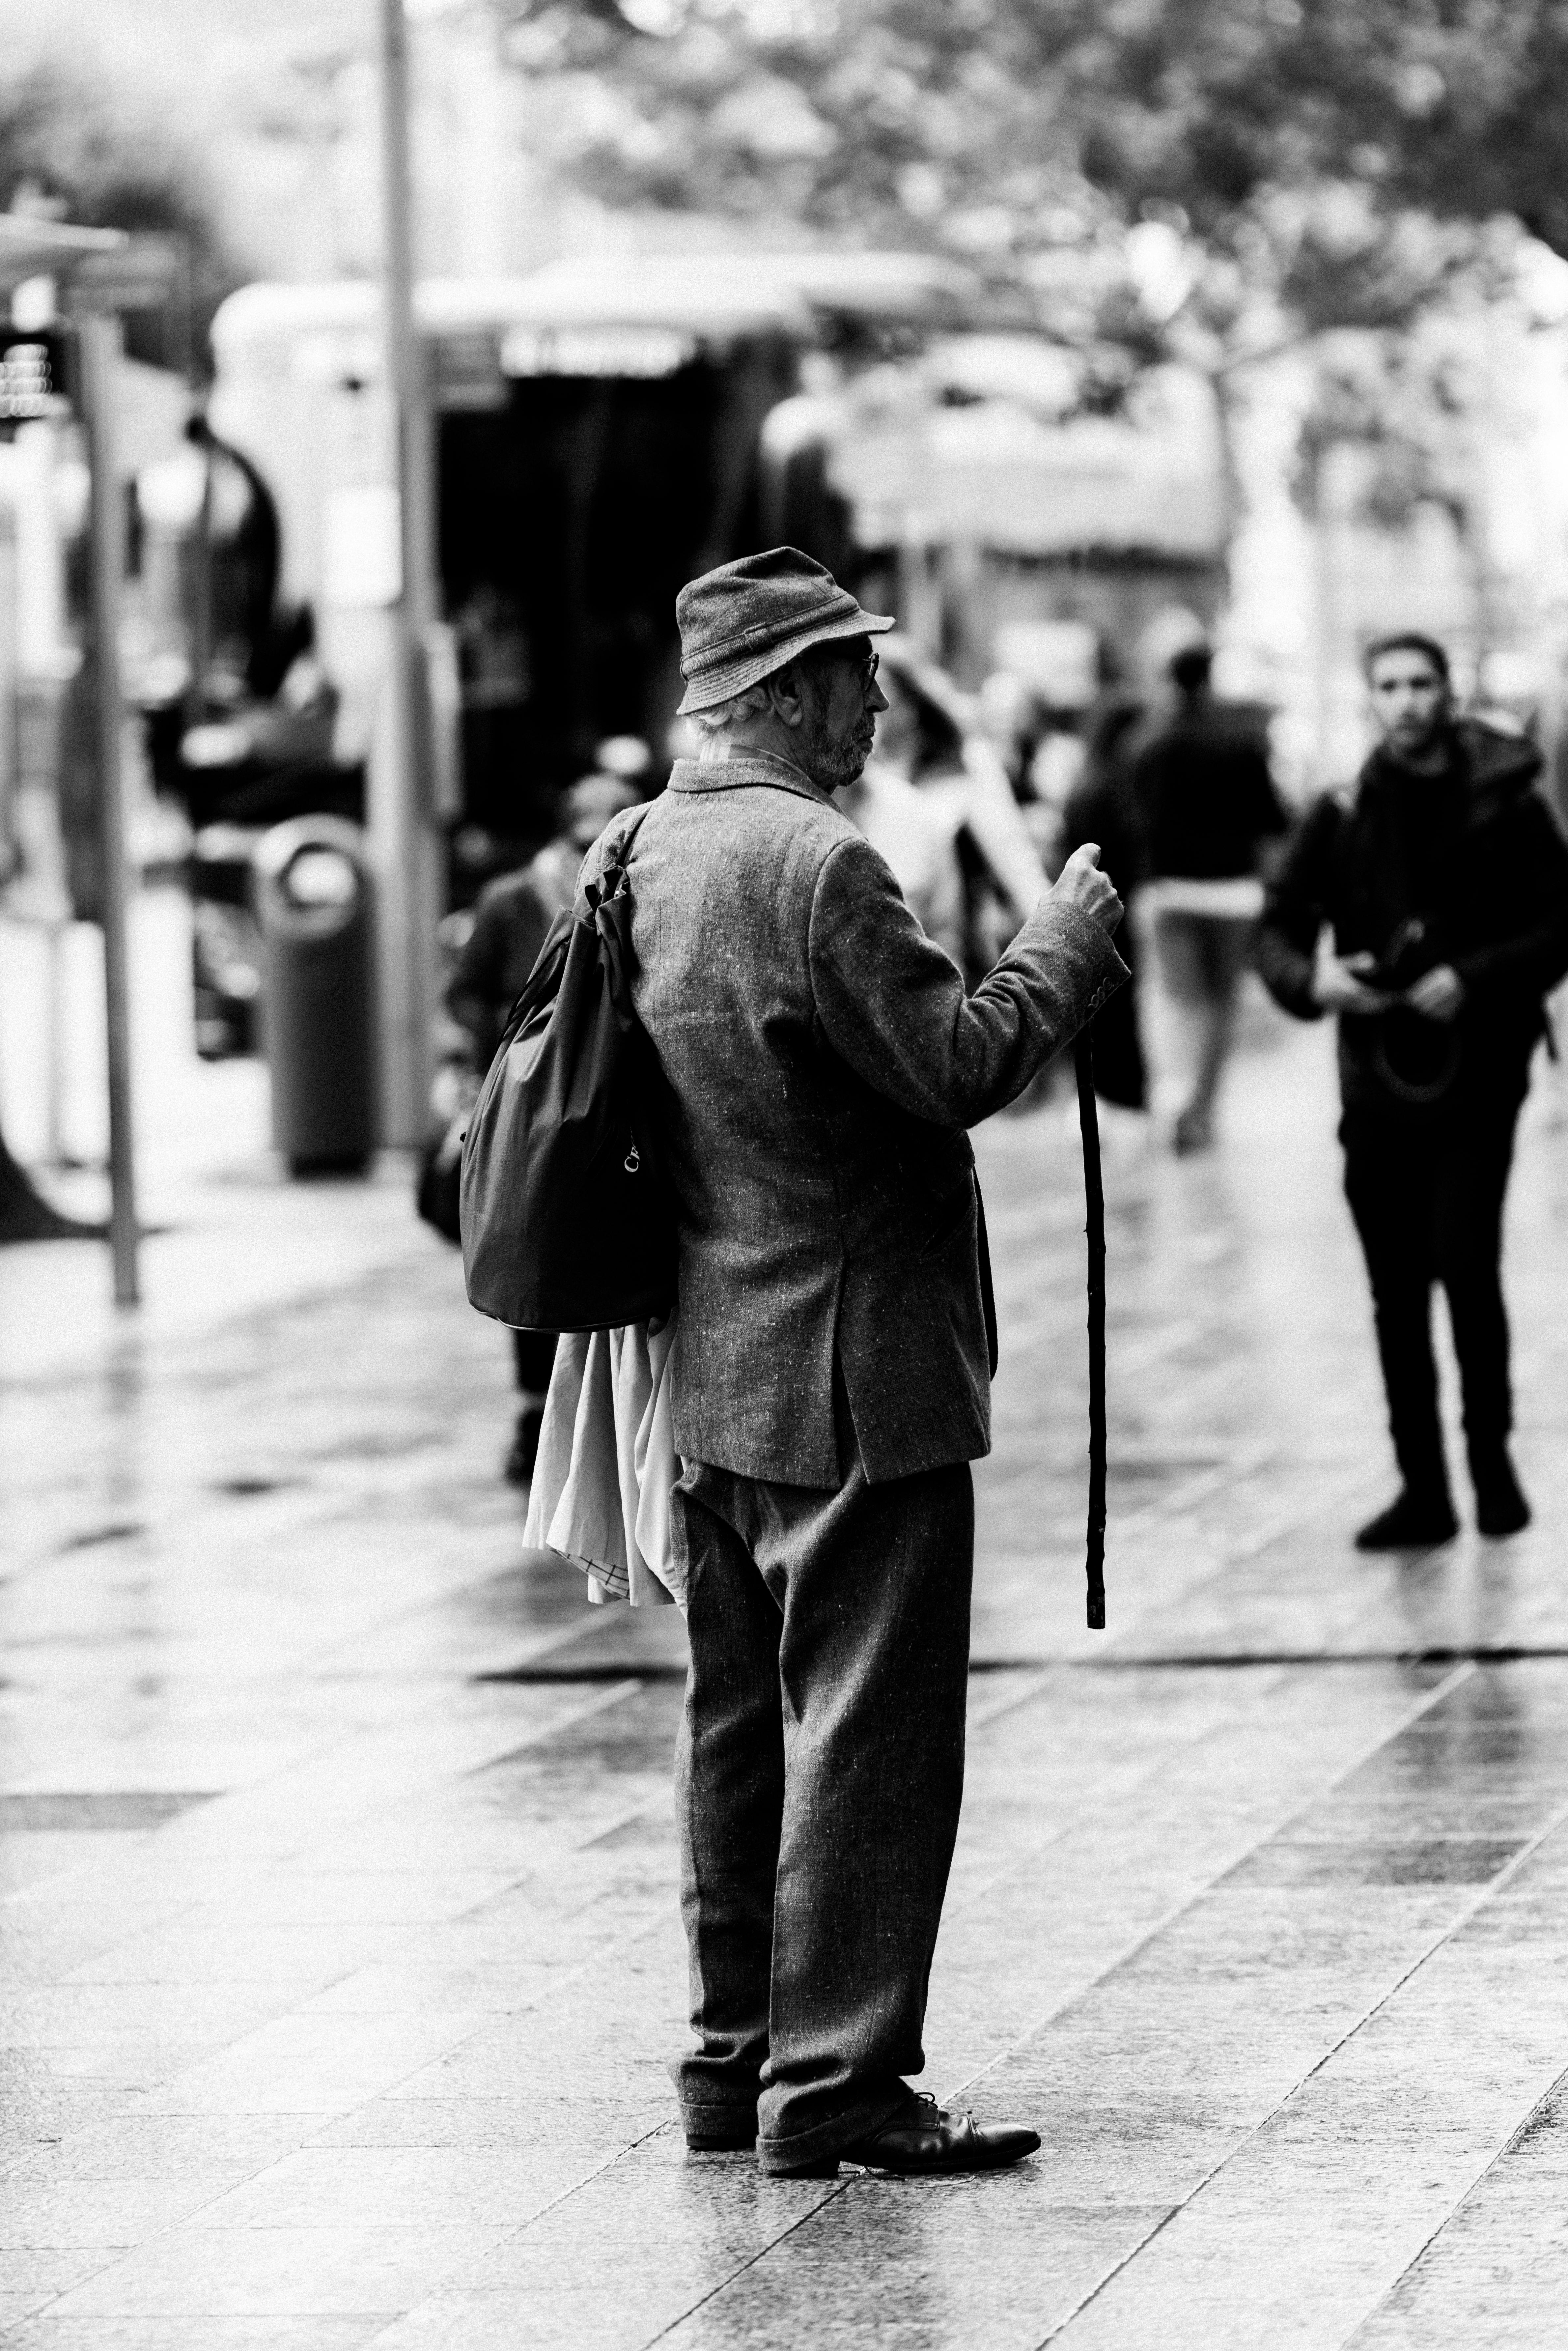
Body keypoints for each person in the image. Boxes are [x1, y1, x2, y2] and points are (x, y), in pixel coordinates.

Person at [580, 546, 1126, 2179]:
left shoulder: (636, 849)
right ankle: (840, 2084)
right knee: (871, 1740)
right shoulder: (820, 867)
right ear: (785, 694)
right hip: (855, 1370)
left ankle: (731, 2055)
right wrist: (1067, 944)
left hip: (710, 1365)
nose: (879, 699)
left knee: (740, 1724)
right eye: (854, 672)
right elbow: (955, 1064)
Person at [1256, 631, 1568, 1549]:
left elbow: (1561, 924)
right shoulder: (1344, 810)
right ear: (1370, 700)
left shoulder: (1509, 804)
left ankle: (1492, 1464)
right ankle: (1423, 1489)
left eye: (1422, 683)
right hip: (1377, 1084)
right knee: (1396, 1292)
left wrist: (1473, 975)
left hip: (1479, 1076)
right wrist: (1317, 984)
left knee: (1467, 1270)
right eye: (1389, 686)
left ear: (1449, 691)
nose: (1407, 701)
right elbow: (1278, 927)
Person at [446, 769, 643, 1484]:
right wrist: (513, 1048)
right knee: (535, 1254)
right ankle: (536, 1415)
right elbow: (462, 991)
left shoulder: (639, 890)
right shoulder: (511, 900)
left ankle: (597, 1422)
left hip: (599, 1105)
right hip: (530, 1107)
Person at [1132, 642, 1289, 1149]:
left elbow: (1137, 819)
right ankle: (1201, 1110)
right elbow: (1274, 818)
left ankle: (1176, 1098)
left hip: (1173, 892)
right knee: (1221, 1005)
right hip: (1234, 895)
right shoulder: (1243, 741)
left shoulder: (1151, 744)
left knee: (1180, 1001)